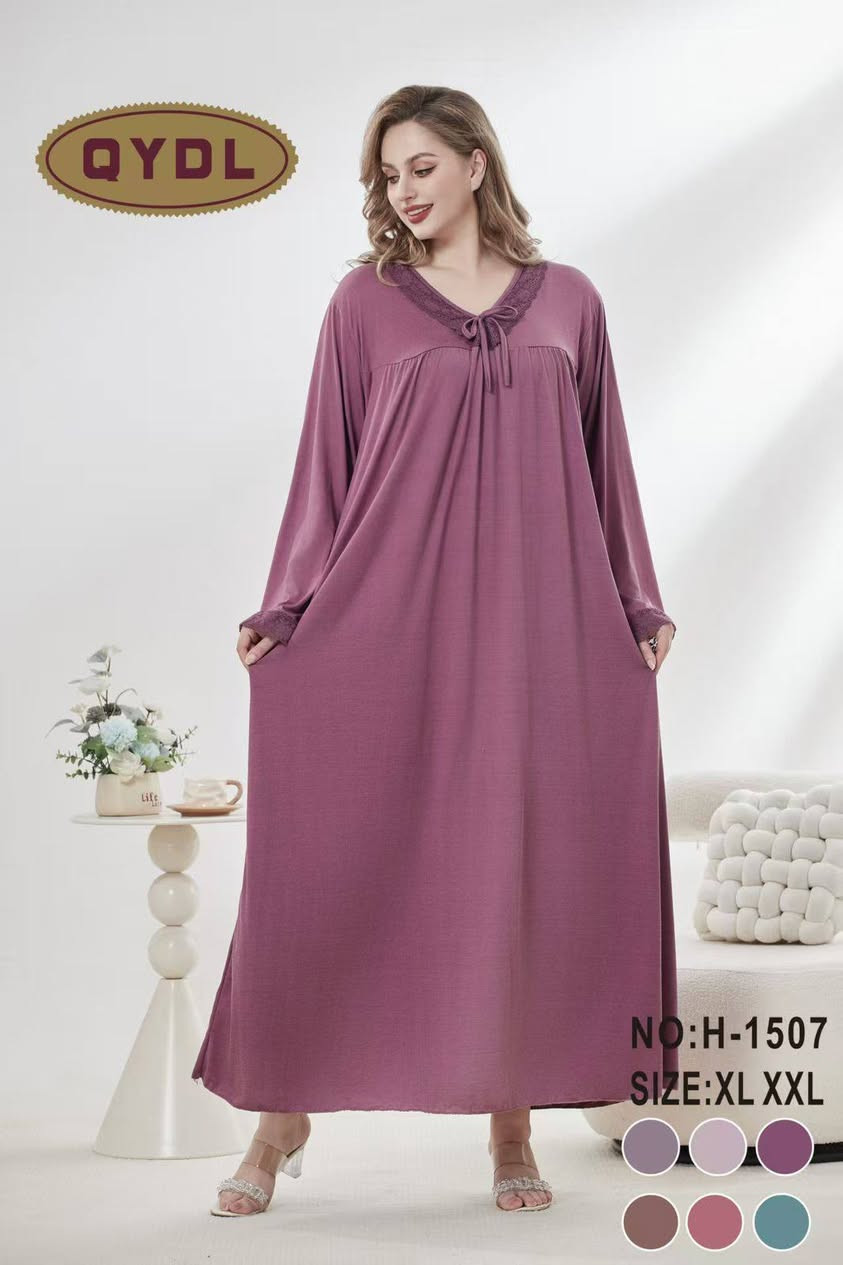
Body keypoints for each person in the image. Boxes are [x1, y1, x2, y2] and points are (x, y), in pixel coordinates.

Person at [193, 84, 678, 1217]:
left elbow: (605, 463)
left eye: (420, 166)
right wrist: (289, 605)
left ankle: (511, 1124)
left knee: (514, 861)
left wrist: (636, 602)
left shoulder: (572, 302)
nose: (403, 191)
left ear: (473, 163)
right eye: (387, 175)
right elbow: (325, 467)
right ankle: (280, 1117)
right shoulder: (363, 306)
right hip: (391, 615)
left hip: (540, 626)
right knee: (335, 859)